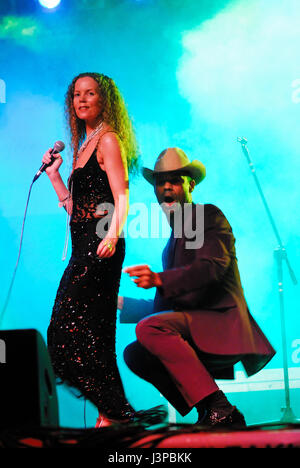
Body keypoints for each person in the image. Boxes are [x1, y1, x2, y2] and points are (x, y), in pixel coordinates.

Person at [120, 147, 276, 428]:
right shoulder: (173, 241)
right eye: (160, 182)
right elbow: (166, 308)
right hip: (194, 327)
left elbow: (211, 268)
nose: (166, 187)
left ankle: (220, 408)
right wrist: (121, 303)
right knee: (136, 352)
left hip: (221, 325)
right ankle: (208, 409)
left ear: (190, 184)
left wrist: (158, 279)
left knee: (151, 328)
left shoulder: (207, 215)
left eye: (175, 180)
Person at [42, 72, 140, 426]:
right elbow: (76, 207)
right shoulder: (82, 146)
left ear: (105, 100)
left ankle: (114, 413)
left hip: (102, 244)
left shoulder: (108, 140)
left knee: (72, 328)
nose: (82, 100)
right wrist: (55, 177)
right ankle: (110, 413)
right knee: (88, 331)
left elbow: (122, 195)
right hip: (85, 243)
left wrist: (112, 236)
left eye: (91, 94)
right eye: (77, 95)